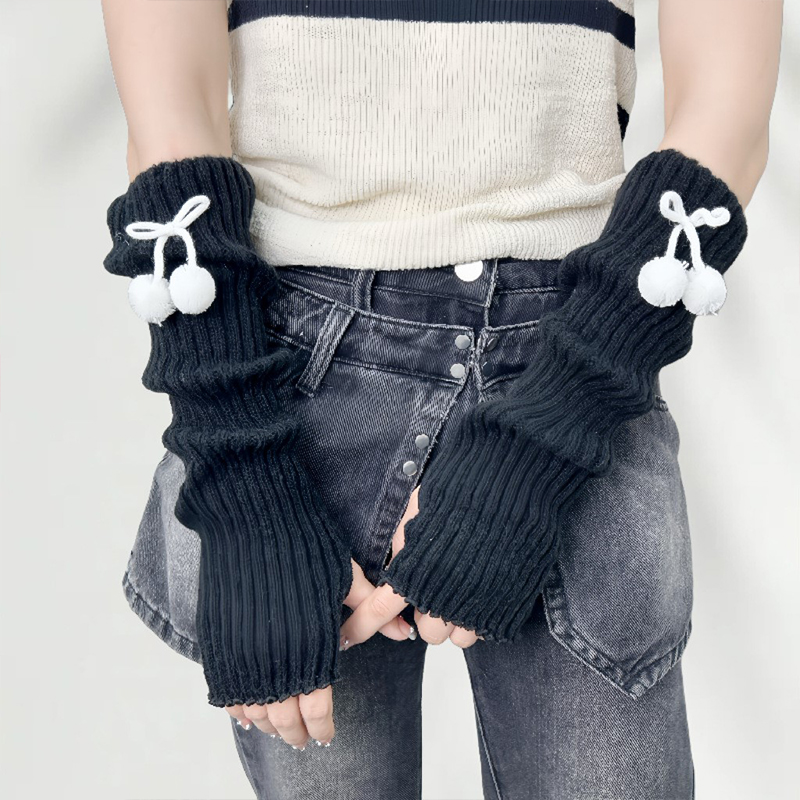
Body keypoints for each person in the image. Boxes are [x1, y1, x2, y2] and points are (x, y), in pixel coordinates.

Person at [101, 1, 782, 797]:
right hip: (284, 396)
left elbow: (726, 121)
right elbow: (168, 126)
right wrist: (248, 486)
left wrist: (545, 435)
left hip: (578, 365)